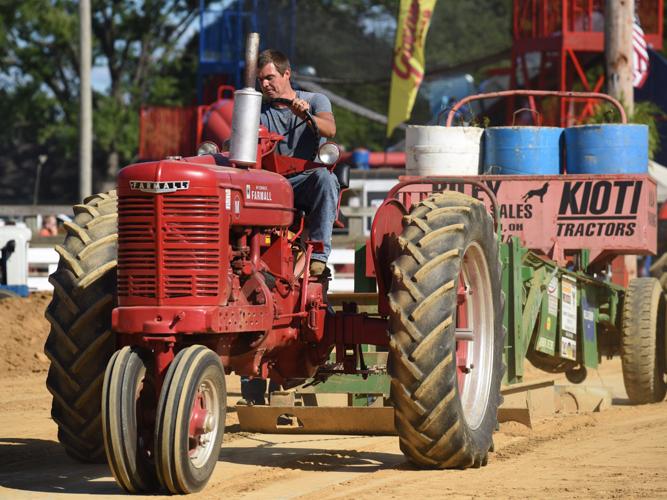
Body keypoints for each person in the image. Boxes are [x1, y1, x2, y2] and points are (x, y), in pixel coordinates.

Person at [257, 49, 338, 277]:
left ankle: (319, 256)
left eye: (269, 77)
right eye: (260, 80)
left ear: (287, 74)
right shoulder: (259, 112)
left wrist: (305, 115)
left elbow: (330, 129)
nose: (265, 84)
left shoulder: (314, 101)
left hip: (303, 182)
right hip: (270, 185)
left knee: (325, 178)